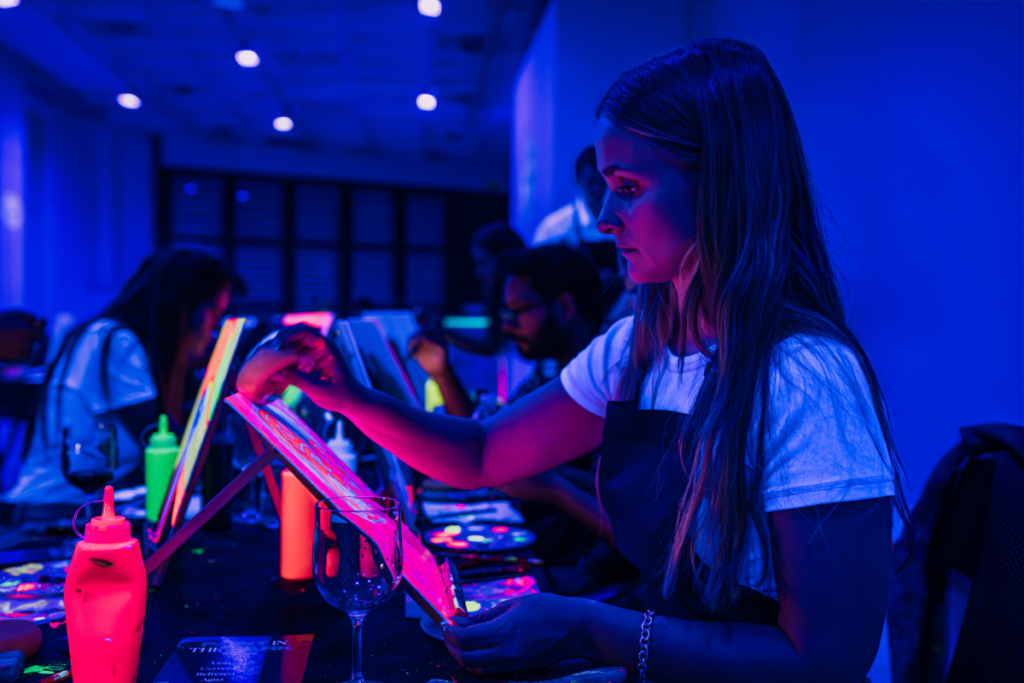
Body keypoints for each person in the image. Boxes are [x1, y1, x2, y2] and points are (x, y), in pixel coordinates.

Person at [238, 39, 908, 681]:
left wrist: (590, 626)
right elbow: (480, 453)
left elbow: (826, 659)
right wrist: (341, 393)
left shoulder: (804, 377)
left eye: (629, 186)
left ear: (721, 188)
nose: (604, 217)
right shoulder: (637, 347)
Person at [5, 250, 242, 506]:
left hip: (81, 506)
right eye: (215, 313)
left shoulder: (113, 338)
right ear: (184, 308)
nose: (215, 329)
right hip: (55, 511)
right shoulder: (115, 342)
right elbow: (165, 441)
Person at [409, 245, 603, 419]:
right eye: (506, 313)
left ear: (564, 307)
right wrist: (442, 374)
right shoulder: (548, 370)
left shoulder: (603, 380)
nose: (506, 326)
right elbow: (490, 431)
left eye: (517, 310)